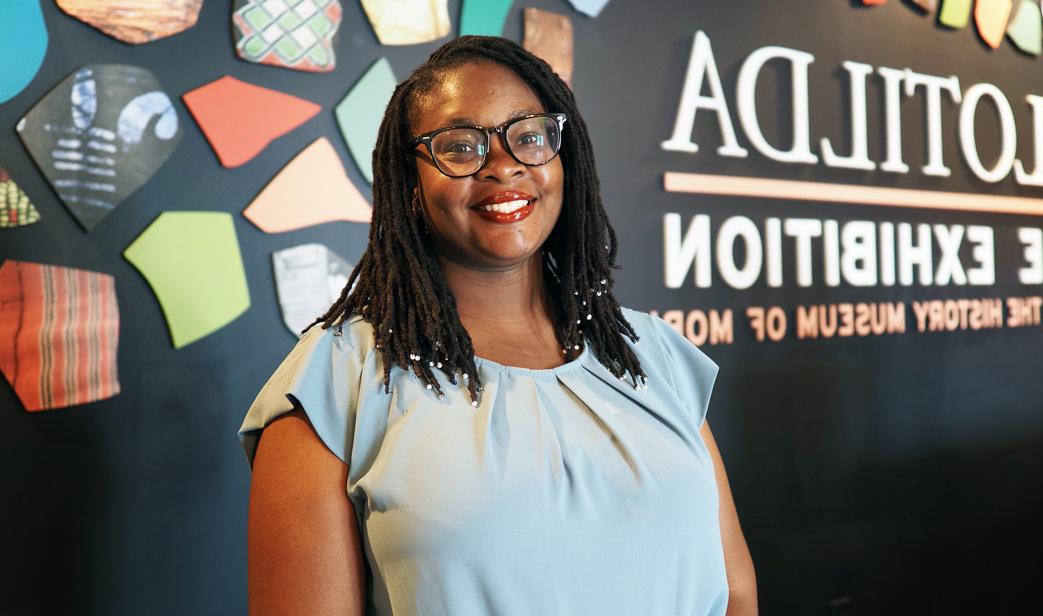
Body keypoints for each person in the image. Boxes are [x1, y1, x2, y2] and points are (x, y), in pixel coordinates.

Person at [238, 35, 757, 616]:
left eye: (529, 136)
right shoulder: (338, 380)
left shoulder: (649, 353)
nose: (504, 165)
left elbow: (734, 591)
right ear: (409, 183)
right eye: (460, 147)